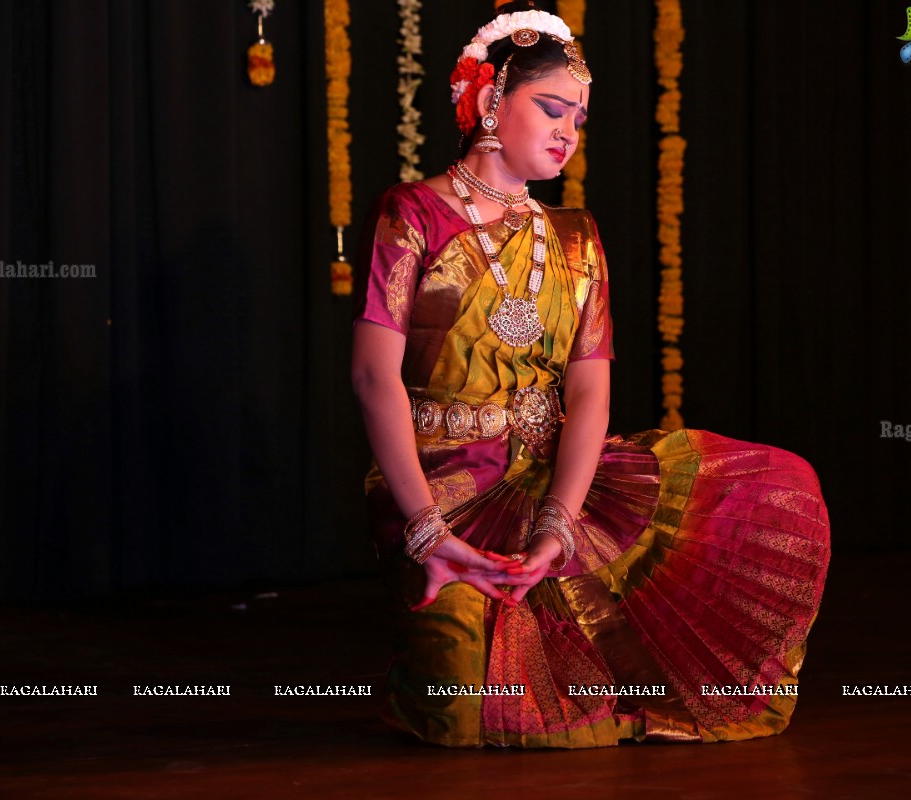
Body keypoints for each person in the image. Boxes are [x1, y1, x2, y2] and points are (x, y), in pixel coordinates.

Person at [351, 0, 830, 748]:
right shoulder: (413, 213)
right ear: (487, 102)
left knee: (775, 489)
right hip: (443, 489)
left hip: (555, 480)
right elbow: (376, 379)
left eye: (577, 117)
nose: (568, 132)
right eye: (551, 108)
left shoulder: (575, 235)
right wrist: (424, 529)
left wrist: (557, 525)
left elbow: (588, 390)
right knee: (472, 714)